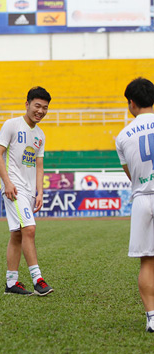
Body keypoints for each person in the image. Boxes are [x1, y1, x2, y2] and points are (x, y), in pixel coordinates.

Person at [0, 86, 54, 296]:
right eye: (37, 106)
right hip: (14, 189)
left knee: (17, 234)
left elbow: (39, 165)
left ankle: (11, 283)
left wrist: (40, 192)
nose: (41, 111)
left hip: (29, 191)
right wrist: (7, 183)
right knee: (29, 229)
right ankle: (38, 279)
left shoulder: (40, 135)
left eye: (45, 108)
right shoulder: (11, 125)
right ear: (27, 104)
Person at [115, 77, 154, 332]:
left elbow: (131, 174)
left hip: (142, 198)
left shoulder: (122, 136)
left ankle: (152, 317)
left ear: (131, 103)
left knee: (147, 262)